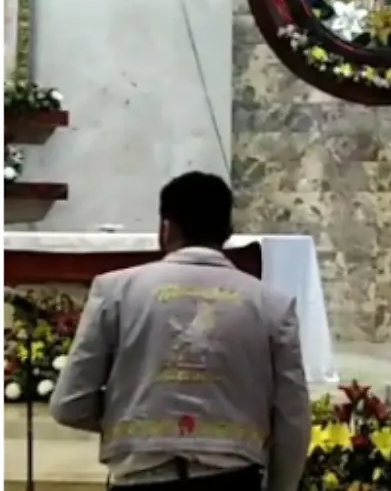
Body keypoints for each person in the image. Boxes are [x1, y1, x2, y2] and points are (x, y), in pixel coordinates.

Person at [48, 172, 310, 491]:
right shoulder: (272, 304)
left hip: (140, 478)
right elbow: (292, 419)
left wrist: (132, 416)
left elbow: (69, 404)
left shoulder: (114, 291)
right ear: (228, 232)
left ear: (166, 229)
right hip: (233, 480)